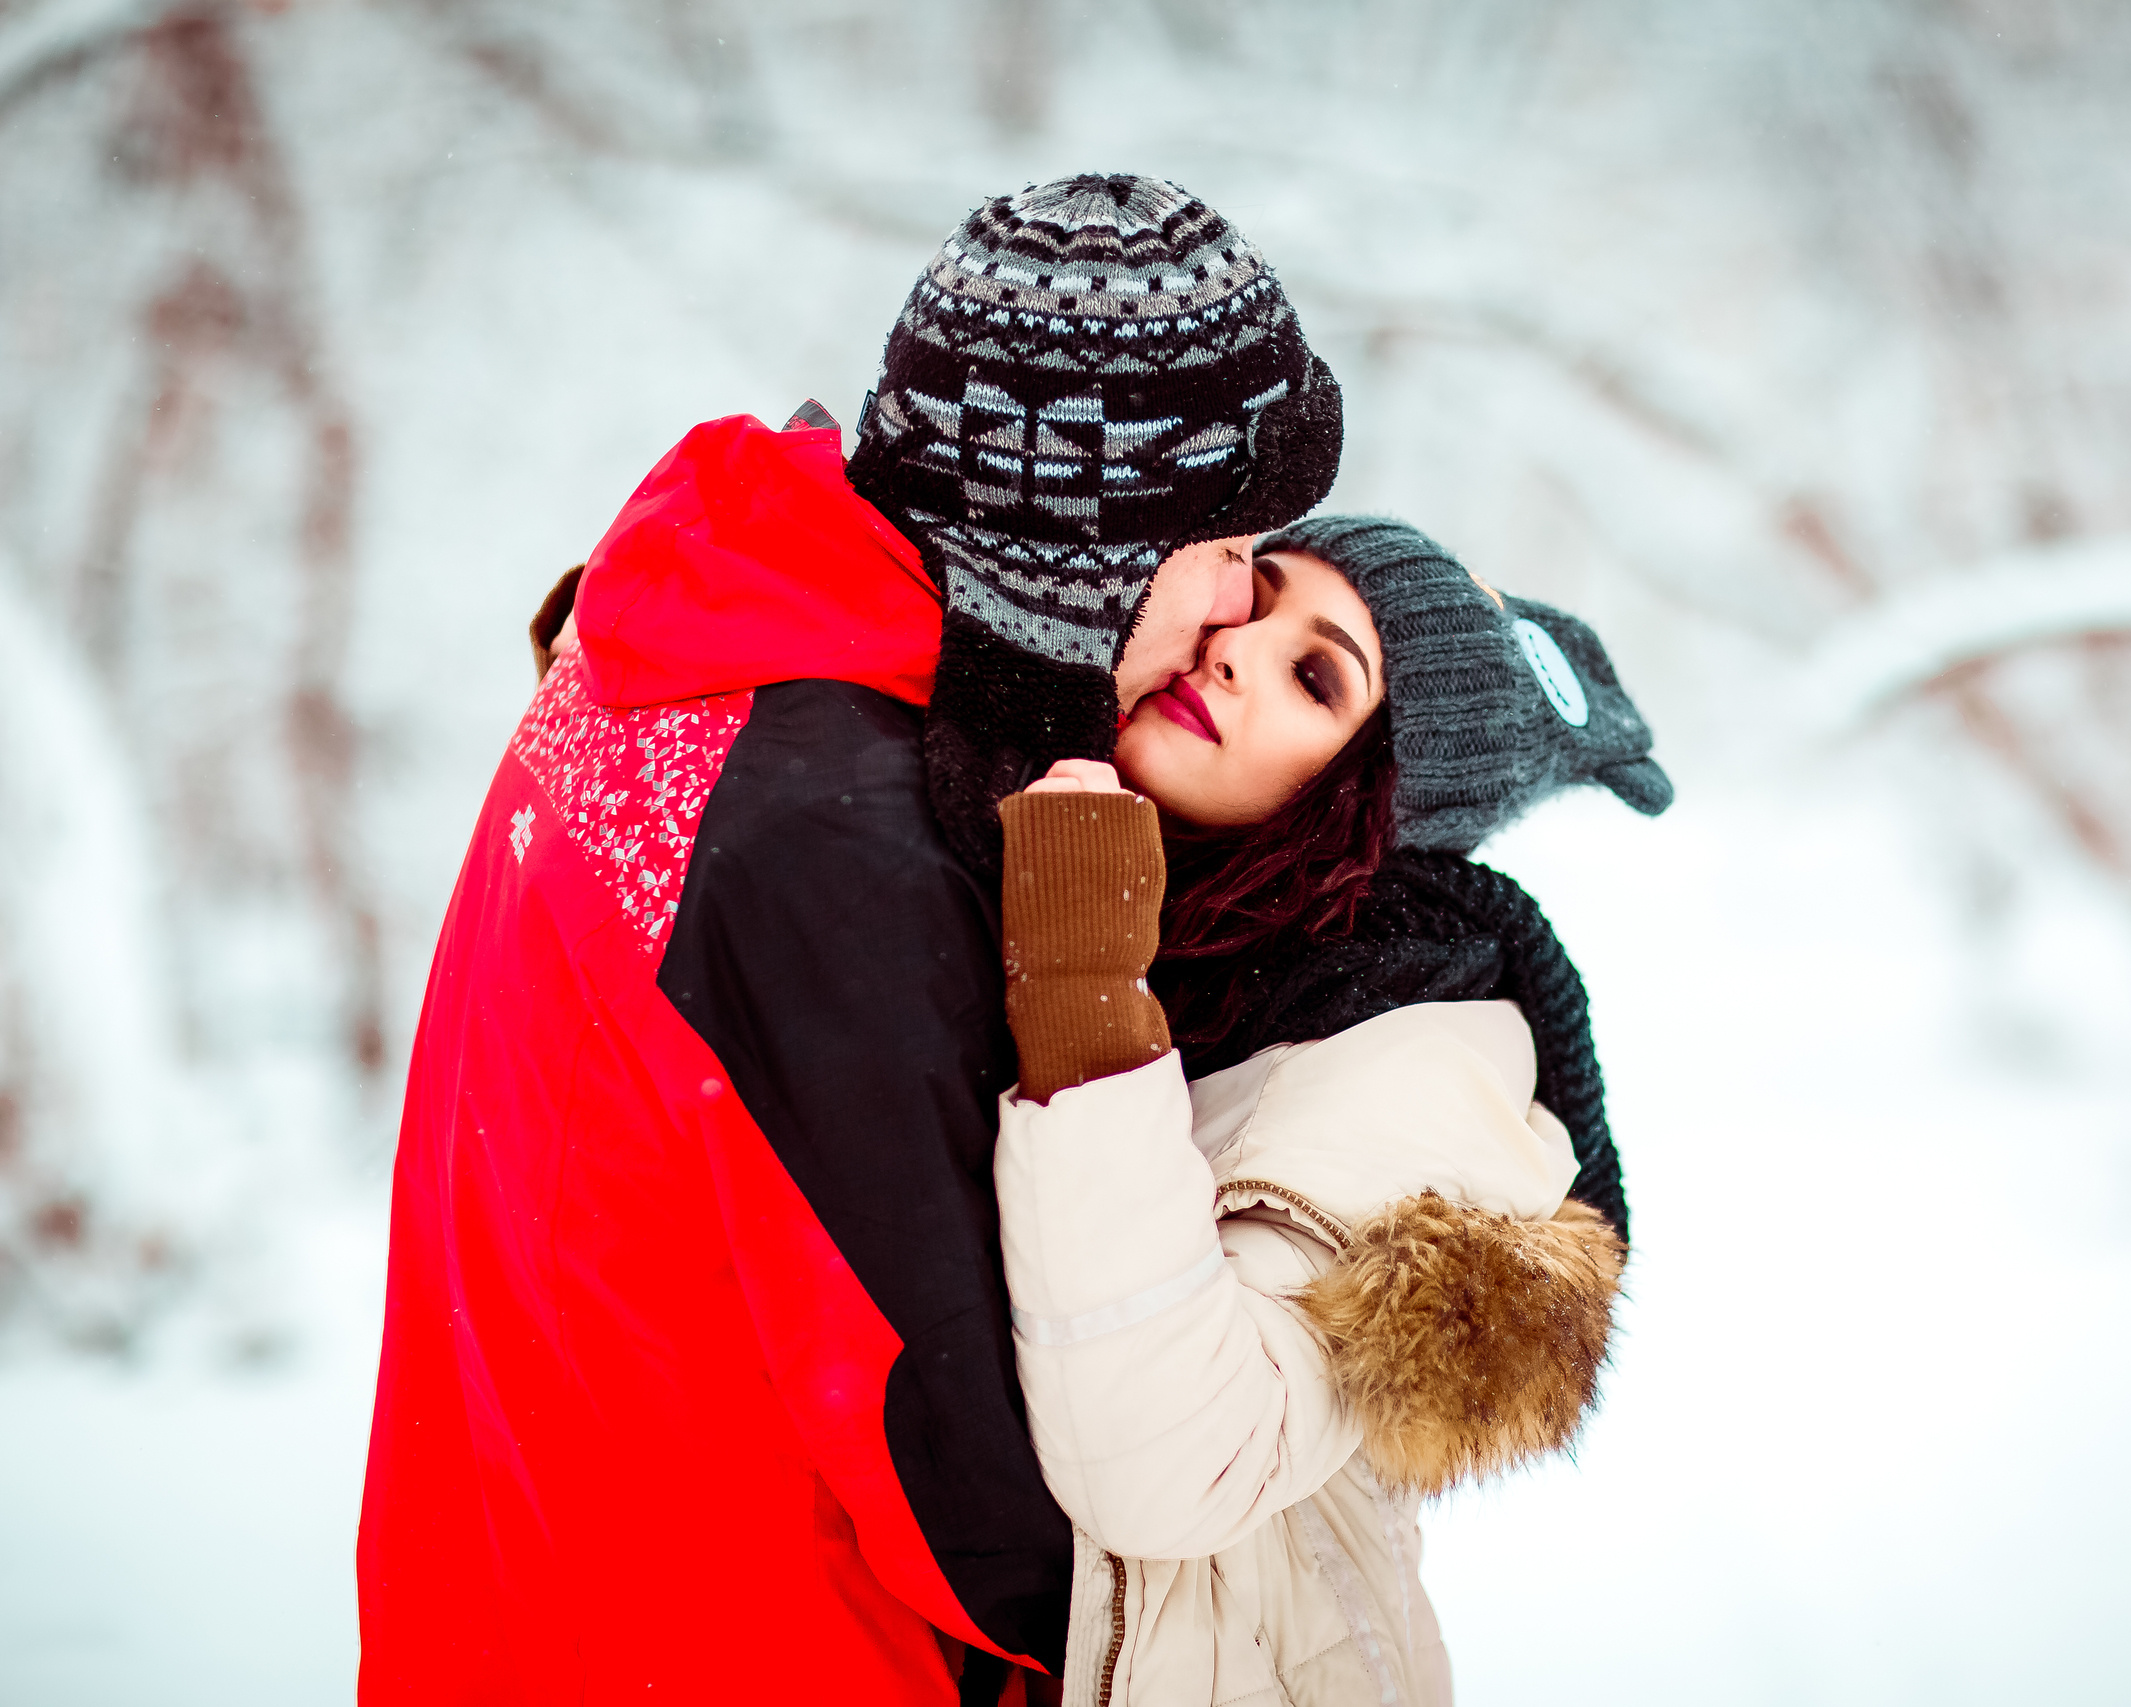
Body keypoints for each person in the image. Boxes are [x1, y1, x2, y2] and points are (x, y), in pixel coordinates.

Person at [357, 174, 1342, 1705]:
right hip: (749, 1642)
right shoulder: (835, 836)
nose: (1232, 601)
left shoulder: (692, 639)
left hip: (533, 1598)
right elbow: (990, 1506)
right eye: (1226, 542)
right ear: (1080, 541)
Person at [989, 516, 1672, 1704]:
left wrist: (1085, 994)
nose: (1235, 652)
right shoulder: (1162, 914)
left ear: (1373, 802)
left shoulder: (1411, 1053)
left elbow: (1175, 1462)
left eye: (1316, 676)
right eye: (1249, 597)